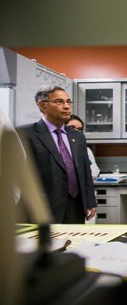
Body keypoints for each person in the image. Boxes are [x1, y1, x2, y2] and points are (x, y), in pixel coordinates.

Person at [16, 85, 97, 224]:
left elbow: (85, 172)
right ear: (43, 105)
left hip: (75, 208)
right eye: (59, 102)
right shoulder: (24, 134)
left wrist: (90, 201)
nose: (66, 106)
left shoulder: (77, 137)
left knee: (75, 245)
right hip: (42, 209)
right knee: (45, 246)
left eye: (68, 102)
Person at [66, 114, 101, 180]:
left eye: (79, 129)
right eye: (72, 127)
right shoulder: (59, 148)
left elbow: (94, 173)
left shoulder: (86, 150)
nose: (76, 131)